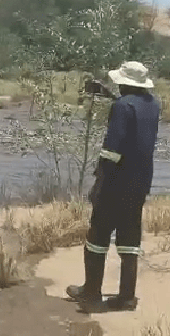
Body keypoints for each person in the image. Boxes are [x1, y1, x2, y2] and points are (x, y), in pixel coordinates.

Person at [66, 61, 160, 312]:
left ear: (125, 83)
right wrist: (110, 97)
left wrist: (99, 182)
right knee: (130, 239)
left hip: (116, 183)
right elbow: (134, 121)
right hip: (140, 182)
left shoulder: (122, 106)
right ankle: (126, 297)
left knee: (97, 236)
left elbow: (112, 150)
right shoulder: (153, 104)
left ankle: (91, 292)